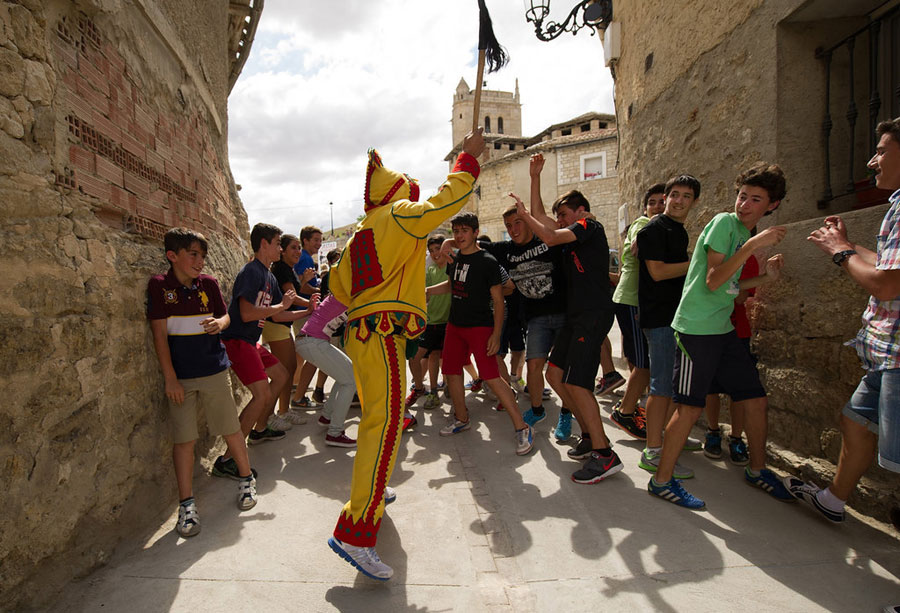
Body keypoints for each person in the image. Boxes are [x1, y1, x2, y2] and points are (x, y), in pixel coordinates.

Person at [326, 129, 485, 581]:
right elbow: (440, 206)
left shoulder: (362, 230)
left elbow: (337, 289)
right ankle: (357, 530)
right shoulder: (398, 215)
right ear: (398, 193)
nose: (412, 196)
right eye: (407, 190)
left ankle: (371, 493)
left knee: (382, 418)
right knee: (388, 419)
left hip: (364, 330)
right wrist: (466, 163)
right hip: (383, 331)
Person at [649, 162, 791, 509]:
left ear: (770, 206)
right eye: (742, 196)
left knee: (755, 399)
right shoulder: (725, 224)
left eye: (754, 199)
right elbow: (713, 279)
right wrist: (753, 244)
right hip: (697, 330)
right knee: (689, 409)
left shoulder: (742, 234)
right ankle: (661, 480)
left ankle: (757, 470)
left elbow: (729, 287)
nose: (744, 204)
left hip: (724, 328)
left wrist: (766, 279)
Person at [787, 116, 900, 522]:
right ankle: (833, 500)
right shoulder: (897, 206)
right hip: (886, 355)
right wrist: (847, 245)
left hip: (898, 357)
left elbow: (886, 286)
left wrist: (840, 253)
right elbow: (891, 269)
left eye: (883, 150)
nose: (873, 161)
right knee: (854, 421)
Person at [512, 153, 621, 484]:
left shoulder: (589, 226)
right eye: (559, 216)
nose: (558, 220)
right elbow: (544, 219)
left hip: (593, 314)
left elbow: (548, 232)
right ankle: (590, 436)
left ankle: (605, 455)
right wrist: (534, 178)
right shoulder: (568, 233)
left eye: (564, 215)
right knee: (555, 375)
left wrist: (525, 217)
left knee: (577, 382)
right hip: (575, 317)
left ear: (580, 212)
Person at [147, 227, 257, 538]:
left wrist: (217, 324)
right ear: (173, 256)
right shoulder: (159, 287)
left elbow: (226, 317)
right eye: (193, 254)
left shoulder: (208, 284)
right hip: (180, 378)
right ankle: (186, 504)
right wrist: (171, 379)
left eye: (202, 256)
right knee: (184, 440)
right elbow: (159, 336)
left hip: (214, 370)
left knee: (230, 429)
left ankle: (246, 478)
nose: (200, 261)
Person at [467, 204, 573, 439]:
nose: (512, 230)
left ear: (527, 222)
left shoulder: (547, 242)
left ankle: (567, 414)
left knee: (561, 371)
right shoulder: (506, 250)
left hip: (565, 314)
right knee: (534, 365)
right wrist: (447, 243)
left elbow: (553, 224)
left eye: (517, 223)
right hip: (536, 319)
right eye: (508, 226)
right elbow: (475, 244)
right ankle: (537, 410)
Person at [429, 213, 533, 453]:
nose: (459, 235)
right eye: (456, 231)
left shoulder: (487, 261)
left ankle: (522, 427)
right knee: (452, 372)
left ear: (476, 232)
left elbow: (498, 301)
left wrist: (496, 335)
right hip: (455, 326)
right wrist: (428, 291)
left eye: (465, 230)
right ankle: (462, 419)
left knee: (492, 377)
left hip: (480, 328)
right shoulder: (454, 260)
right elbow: (452, 286)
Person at [219, 223, 315, 451]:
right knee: (261, 395)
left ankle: (260, 430)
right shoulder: (251, 272)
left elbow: (280, 314)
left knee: (282, 375)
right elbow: (246, 313)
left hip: (251, 342)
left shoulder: (269, 277)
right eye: (278, 243)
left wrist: (308, 311)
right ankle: (230, 458)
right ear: (264, 244)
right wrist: (281, 305)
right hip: (237, 341)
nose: (280, 249)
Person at [636, 175, 701, 481]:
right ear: (666, 197)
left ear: (693, 202)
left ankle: (669, 437)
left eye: (686, 196)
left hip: (677, 317)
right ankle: (653, 451)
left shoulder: (678, 230)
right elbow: (658, 272)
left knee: (672, 385)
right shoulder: (653, 230)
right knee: (661, 386)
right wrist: (697, 262)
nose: (678, 201)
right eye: (674, 194)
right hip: (659, 318)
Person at [608, 184, 666, 440]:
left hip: (640, 301)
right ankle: (625, 411)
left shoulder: (659, 227)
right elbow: (637, 249)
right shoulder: (644, 224)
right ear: (645, 207)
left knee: (641, 362)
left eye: (662, 202)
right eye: (653, 202)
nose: (658, 207)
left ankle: (632, 410)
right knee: (643, 364)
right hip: (631, 299)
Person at [702, 253, 757, 464]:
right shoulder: (712, 257)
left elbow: (741, 297)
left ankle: (736, 438)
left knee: (739, 392)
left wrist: (720, 283)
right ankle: (713, 432)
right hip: (711, 329)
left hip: (737, 332)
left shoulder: (748, 259)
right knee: (711, 388)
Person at [261, 234, 316, 430]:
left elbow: (294, 292)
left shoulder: (287, 269)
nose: (298, 251)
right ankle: (268, 418)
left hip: (281, 324)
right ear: (282, 250)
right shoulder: (282, 269)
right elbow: (291, 297)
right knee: (283, 373)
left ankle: (283, 411)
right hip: (275, 324)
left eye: (299, 247)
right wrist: (312, 305)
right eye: (293, 247)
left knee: (290, 369)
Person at [295, 294, 357, 447]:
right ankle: (335, 433)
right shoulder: (350, 294)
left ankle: (327, 417)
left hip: (310, 340)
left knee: (347, 374)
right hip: (313, 341)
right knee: (350, 381)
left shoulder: (341, 292)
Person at [406, 235, 452, 411]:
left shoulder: (452, 267)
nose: (434, 253)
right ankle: (421, 388)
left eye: (437, 249)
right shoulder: (430, 271)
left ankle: (439, 389)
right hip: (430, 322)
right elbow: (419, 291)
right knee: (415, 358)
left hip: (449, 322)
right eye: (431, 250)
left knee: (439, 358)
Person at [291, 226, 324, 408]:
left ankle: (296, 388)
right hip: (304, 312)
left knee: (303, 355)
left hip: (304, 311)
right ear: (305, 241)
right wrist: (321, 290)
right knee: (312, 355)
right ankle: (298, 395)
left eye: (320, 240)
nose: (319, 244)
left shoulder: (306, 258)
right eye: (315, 240)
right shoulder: (304, 258)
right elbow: (301, 288)